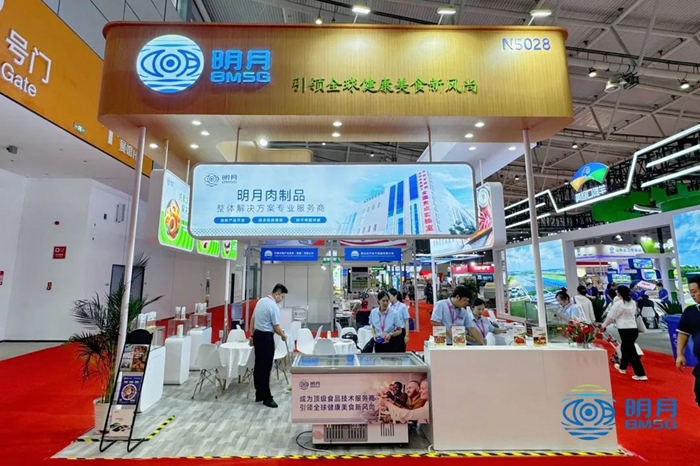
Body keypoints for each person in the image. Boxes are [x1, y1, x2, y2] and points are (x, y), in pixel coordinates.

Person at [248, 283, 288, 408]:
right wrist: (283, 335)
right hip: (266, 337)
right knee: (265, 368)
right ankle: (267, 397)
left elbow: (252, 319)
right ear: (277, 294)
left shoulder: (260, 301)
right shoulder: (273, 306)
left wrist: (252, 335)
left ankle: (259, 393)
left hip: (257, 335)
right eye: (282, 296)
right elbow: (276, 328)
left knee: (258, 366)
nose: (282, 299)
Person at [602, 285, 648, 381]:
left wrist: (604, 325)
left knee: (631, 352)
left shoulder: (618, 304)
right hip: (633, 329)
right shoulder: (633, 303)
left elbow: (611, 317)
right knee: (625, 348)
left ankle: (640, 374)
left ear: (618, 293)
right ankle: (622, 367)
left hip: (624, 329)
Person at [676, 276, 700, 407]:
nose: (692, 295)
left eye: (694, 291)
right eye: (691, 292)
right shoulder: (691, 312)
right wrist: (680, 354)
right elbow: (683, 333)